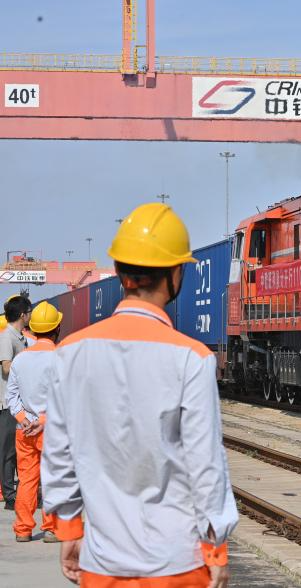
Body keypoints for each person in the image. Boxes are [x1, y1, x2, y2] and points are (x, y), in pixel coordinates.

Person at [42, 204, 237, 586]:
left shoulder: (70, 353)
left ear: (118, 271)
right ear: (176, 274)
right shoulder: (192, 358)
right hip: (177, 564)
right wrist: (215, 549)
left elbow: (58, 453)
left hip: (101, 564)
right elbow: (205, 465)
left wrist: (69, 530)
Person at [5, 301, 63, 542]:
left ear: (34, 329)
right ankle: (51, 528)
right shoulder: (61, 358)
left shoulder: (20, 360)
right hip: (52, 430)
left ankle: (23, 529)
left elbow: (11, 397)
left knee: (27, 480)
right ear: (57, 328)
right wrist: (43, 419)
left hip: (24, 429)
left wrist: (25, 418)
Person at [0, 294, 32, 510]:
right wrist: (27, 364)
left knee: (19, 450)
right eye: (29, 313)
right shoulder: (7, 337)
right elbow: (6, 367)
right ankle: (10, 496)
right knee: (8, 452)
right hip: (8, 404)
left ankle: (21, 493)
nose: (30, 316)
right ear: (22, 315)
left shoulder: (20, 337)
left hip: (20, 403)